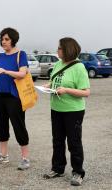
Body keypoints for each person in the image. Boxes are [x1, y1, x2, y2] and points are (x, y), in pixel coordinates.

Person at [43, 37, 90, 186]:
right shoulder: (58, 64)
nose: (57, 50)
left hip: (73, 111)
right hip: (56, 108)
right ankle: (57, 168)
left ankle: (78, 172)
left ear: (67, 49)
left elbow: (86, 92)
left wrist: (66, 90)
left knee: (74, 142)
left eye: (60, 48)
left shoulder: (79, 67)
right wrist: (47, 85)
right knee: (57, 140)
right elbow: (55, 80)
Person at [0, 27, 30, 170]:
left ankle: (25, 158)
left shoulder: (21, 54)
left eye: (6, 39)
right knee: (0, 126)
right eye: (2, 39)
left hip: (14, 96)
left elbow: (22, 74)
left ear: (13, 40)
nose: (3, 41)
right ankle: (3, 156)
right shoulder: (0, 56)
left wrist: (5, 71)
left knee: (18, 125)